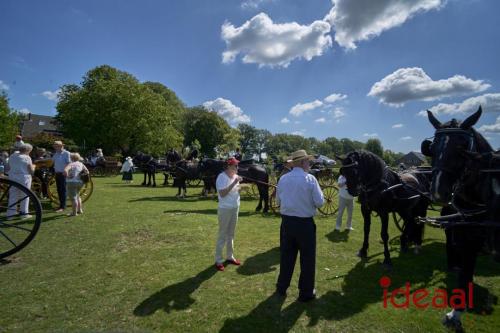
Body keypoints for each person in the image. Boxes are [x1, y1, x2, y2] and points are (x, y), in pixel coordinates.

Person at [276, 149, 324, 302]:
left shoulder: (283, 179)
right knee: (307, 259)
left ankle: (281, 287)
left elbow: (278, 202)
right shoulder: (310, 179)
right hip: (304, 224)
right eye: (308, 161)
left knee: (286, 256)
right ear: (303, 162)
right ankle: (306, 292)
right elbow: (320, 202)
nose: (309, 164)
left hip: (287, 223)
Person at [214, 157, 242, 271]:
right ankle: (218, 260)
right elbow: (223, 193)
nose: (237, 167)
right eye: (235, 165)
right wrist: (234, 182)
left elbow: (236, 190)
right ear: (229, 166)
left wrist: (241, 188)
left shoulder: (235, 177)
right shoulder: (221, 177)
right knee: (223, 234)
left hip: (235, 208)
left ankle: (230, 256)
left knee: (231, 234)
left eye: (237, 165)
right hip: (225, 209)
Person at [6, 143, 35, 219]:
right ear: (28, 150)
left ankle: (10, 214)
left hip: (13, 177)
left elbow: (8, 167)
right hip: (24, 178)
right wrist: (34, 168)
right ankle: (24, 213)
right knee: (25, 196)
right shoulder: (27, 157)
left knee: (13, 196)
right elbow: (31, 171)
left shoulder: (12, 156)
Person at [52, 140, 71, 212]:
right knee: (59, 190)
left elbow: (69, 163)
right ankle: (61, 205)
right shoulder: (56, 153)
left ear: (60, 146)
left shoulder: (66, 153)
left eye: (56, 146)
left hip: (63, 174)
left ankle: (63, 207)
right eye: (54, 146)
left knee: (63, 190)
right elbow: (52, 161)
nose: (54, 147)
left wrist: (66, 170)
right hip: (57, 174)